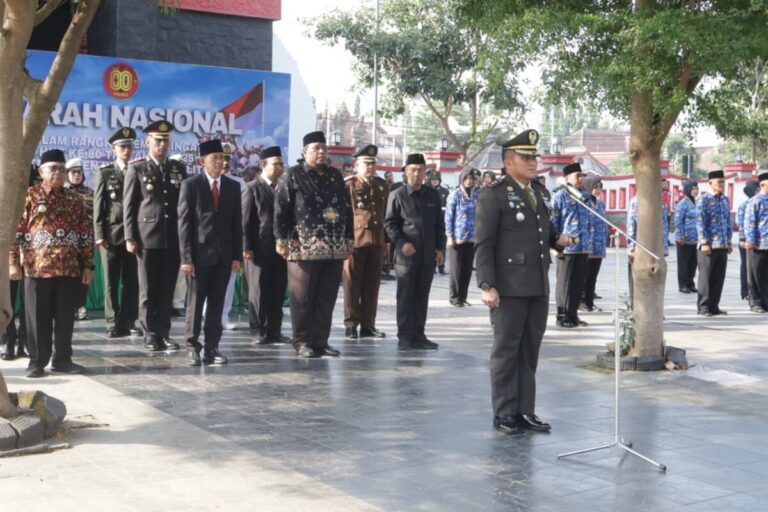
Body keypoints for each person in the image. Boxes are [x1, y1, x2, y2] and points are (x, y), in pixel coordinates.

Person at [475, 129, 572, 435]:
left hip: (537, 284)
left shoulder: (539, 194)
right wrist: (486, 284)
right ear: (507, 162)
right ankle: (504, 412)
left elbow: (543, 232)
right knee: (506, 350)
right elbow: (485, 243)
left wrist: (559, 240)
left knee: (530, 350)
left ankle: (524, 410)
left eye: (534, 157)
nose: (533, 162)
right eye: (526, 158)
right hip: (508, 287)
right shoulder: (494, 194)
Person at [10, 149, 94, 378]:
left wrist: (88, 265)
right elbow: (15, 231)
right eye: (53, 168)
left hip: (68, 269)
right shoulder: (29, 196)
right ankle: (36, 362)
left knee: (66, 317)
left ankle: (63, 360)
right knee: (37, 319)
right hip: (36, 269)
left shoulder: (75, 199)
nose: (58, 172)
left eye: (62, 168)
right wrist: (12, 263)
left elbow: (85, 233)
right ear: (41, 171)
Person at [274, 131, 353, 358]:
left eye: (324, 148)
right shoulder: (292, 175)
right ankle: (302, 342)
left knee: (326, 298)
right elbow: (281, 209)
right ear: (304, 152)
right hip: (303, 249)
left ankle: (321, 341)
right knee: (302, 298)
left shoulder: (335, 176)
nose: (321, 152)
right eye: (316, 148)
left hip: (334, 248)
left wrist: (348, 239)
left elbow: (346, 209)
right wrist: (281, 240)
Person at [123, 120, 187, 351]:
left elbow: (183, 205)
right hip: (147, 237)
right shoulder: (137, 168)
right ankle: (150, 334)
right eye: (158, 140)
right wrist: (130, 236)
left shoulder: (177, 169)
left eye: (165, 141)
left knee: (167, 288)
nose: (162, 145)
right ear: (148, 141)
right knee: (148, 289)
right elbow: (129, 205)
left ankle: (164, 332)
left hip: (172, 237)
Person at [178, 140, 242, 365]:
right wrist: (186, 258)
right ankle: (192, 347)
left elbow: (236, 224)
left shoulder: (233, 186)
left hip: (224, 257)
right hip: (198, 257)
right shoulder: (191, 185)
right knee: (195, 304)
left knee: (217, 304)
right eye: (214, 158)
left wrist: (236, 256)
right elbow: (184, 224)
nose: (220, 162)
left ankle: (212, 347)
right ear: (202, 160)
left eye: (223, 158)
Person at [385, 154, 446, 351]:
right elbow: (390, 224)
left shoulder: (432, 194)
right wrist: (401, 243)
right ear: (405, 172)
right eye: (412, 169)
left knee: (422, 297)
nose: (416, 173)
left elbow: (438, 225)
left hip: (427, 255)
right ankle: (404, 336)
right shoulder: (398, 195)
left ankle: (419, 335)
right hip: (406, 257)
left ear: (425, 172)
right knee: (405, 297)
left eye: (420, 169)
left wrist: (440, 249)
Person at [93, 127, 142, 338]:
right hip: (111, 235)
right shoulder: (105, 172)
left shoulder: (139, 170)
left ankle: (129, 321)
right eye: (122, 146)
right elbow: (98, 205)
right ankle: (112, 322)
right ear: (114, 148)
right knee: (111, 282)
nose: (126, 150)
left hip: (134, 235)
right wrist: (99, 234)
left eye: (129, 146)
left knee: (133, 280)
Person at [242, 146, 290, 344]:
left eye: (281, 164)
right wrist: (246, 247)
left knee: (277, 291)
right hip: (258, 249)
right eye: (276, 164)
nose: (280, 168)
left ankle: (274, 330)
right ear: (264, 165)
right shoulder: (252, 187)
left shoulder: (284, 187)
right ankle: (257, 330)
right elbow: (244, 220)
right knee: (258, 291)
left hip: (280, 249)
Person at [343, 144, 389, 340]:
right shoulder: (349, 184)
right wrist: (345, 240)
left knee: (372, 285)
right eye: (366, 164)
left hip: (376, 240)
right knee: (352, 284)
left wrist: (386, 242)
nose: (370, 167)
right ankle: (351, 324)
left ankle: (369, 324)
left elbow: (384, 214)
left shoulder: (381, 184)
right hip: (356, 241)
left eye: (373, 164)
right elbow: (345, 215)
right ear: (357, 164)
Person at [551, 162, 591, 328]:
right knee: (564, 283)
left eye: (582, 176)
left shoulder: (584, 196)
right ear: (567, 178)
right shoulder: (560, 195)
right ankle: (562, 316)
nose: (581, 179)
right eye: (577, 176)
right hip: (566, 247)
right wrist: (555, 247)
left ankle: (573, 315)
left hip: (582, 246)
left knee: (577, 283)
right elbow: (554, 223)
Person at [696, 170, 732, 316]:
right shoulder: (703, 199)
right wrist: (704, 242)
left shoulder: (724, 200)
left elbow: (728, 222)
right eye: (719, 182)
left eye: (723, 182)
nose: (721, 185)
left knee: (719, 276)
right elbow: (700, 221)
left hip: (722, 245)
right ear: (710, 182)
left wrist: (728, 242)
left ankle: (714, 306)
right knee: (706, 276)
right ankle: (703, 306)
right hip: (708, 246)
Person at [65, 157, 94, 321]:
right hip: (67, 242)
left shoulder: (89, 193)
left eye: (79, 172)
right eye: (73, 172)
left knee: (85, 273)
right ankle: (68, 306)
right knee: (68, 276)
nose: (76, 175)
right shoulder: (62, 192)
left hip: (86, 242)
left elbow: (95, 218)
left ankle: (81, 306)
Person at [445, 167, 479, 307]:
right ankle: (454, 297)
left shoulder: (477, 195)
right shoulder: (455, 194)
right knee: (456, 269)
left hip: (472, 237)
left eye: (471, 179)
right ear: (462, 179)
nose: (469, 181)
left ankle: (463, 297)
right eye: (466, 178)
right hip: (457, 237)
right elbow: (449, 216)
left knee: (467, 268)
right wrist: (449, 235)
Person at [626, 194, 669, 301]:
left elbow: (664, 226)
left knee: (656, 277)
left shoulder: (661, 203)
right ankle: (635, 308)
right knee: (637, 279)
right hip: (640, 245)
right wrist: (631, 247)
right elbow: (631, 224)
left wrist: (665, 247)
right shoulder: (635, 201)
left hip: (656, 246)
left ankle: (655, 308)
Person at [743, 171, 768, 313]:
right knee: (755, 275)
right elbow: (749, 222)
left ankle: (765, 301)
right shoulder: (755, 201)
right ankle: (755, 302)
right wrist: (750, 240)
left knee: (765, 275)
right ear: (763, 185)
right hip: (757, 244)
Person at [581, 175, 606, 312]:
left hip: (599, 246)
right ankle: (582, 301)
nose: (598, 190)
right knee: (584, 276)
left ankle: (590, 301)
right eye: (595, 187)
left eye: (600, 187)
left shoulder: (601, 204)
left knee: (593, 277)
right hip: (587, 246)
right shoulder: (584, 203)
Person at [674, 179, 699, 294]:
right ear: (687, 190)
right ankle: (683, 285)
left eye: (696, 188)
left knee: (693, 263)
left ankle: (690, 283)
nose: (695, 191)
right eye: (693, 188)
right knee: (684, 263)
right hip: (685, 239)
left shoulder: (698, 202)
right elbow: (678, 221)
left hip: (696, 240)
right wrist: (680, 236)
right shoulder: (682, 204)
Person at [736, 181, 759, 300]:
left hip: (759, 242)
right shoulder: (744, 206)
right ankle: (745, 291)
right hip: (745, 241)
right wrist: (742, 239)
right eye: (757, 189)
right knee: (745, 266)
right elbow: (741, 224)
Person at [427, 170, 450, 275]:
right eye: (432, 179)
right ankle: (432, 266)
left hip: (442, 223)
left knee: (442, 245)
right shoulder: (426, 190)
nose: (434, 181)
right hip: (430, 222)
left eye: (436, 179)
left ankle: (441, 266)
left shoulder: (445, 192)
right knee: (430, 245)